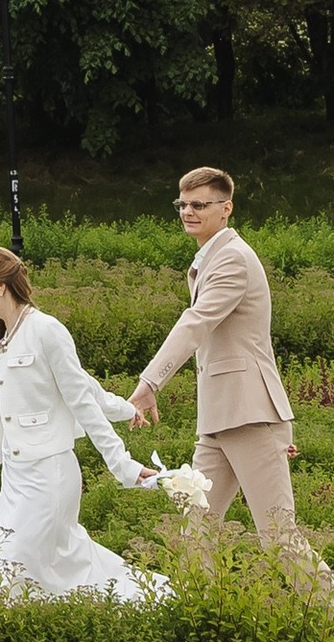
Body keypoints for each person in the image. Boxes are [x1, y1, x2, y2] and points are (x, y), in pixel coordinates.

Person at [0, 243, 170, 605]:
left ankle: (150, 601)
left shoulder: (46, 330)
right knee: (1, 568)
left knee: (14, 572)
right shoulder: (5, 341)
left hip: (47, 476)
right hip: (14, 476)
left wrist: (124, 467)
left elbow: (81, 400)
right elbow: (87, 386)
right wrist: (124, 408)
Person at [124, 166, 301, 536]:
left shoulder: (232, 258)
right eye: (183, 204)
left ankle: (330, 599)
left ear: (227, 208)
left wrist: (150, 382)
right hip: (218, 419)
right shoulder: (213, 257)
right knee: (195, 536)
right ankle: (202, 598)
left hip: (250, 415)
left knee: (279, 538)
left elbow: (196, 322)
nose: (188, 212)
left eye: (200, 204)